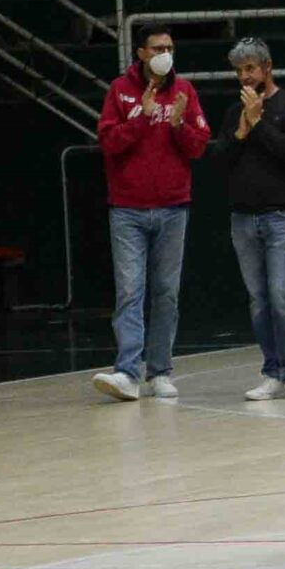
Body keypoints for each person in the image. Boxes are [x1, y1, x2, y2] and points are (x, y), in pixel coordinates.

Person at [89, 24, 211, 402]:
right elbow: (108, 142)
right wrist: (140, 118)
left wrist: (177, 125)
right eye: (157, 47)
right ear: (141, 52)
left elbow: (198, 146)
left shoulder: (184, 91)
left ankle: (160, 371)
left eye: (169, 47)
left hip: (173, 207)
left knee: (166, 293)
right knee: (130, 291)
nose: (165, 53)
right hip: (127, 209)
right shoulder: (119, 91)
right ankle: (127, 372)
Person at [214, 38, 285, 401]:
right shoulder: (233, 112)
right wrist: (241, 132)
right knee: (258, 299)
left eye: (251, 69)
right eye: (239, 71)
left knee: (281, 294)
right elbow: (220, 160)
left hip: (283, 215)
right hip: (243, 217)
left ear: (267, 68)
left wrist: (259, 123)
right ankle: (272, 370)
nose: (245, 77)